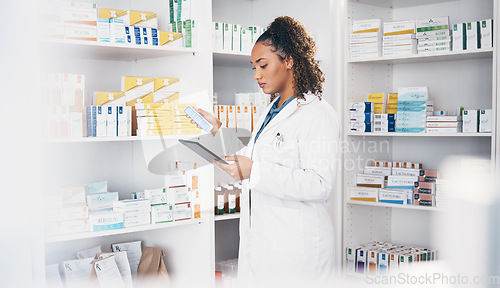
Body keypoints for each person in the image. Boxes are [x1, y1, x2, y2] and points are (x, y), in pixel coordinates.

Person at [190, 16, 340, 287]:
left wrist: (255, 172)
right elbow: (252, 158)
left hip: (299, 252)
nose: (256, 75)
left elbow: (320, 184)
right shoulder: (270, 110)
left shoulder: (317, 114)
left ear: (290, 60)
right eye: (253, 67)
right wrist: (217, 131)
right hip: (265, 246)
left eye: (263, 65)